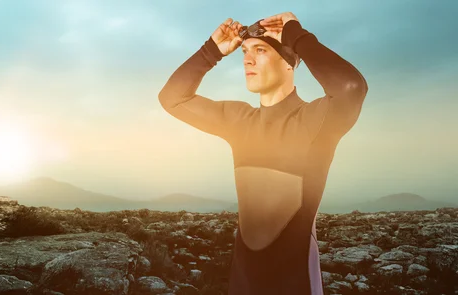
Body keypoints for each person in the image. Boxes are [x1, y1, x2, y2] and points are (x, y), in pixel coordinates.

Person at [157, 11, 368, 294]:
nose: (247, 59)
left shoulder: (316, 120)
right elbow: (171, 98)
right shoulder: (239, 120)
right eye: (245, 51)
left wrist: (295, 34)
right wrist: (211, 51)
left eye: (260, 50)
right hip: (242, 284)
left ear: (290, 63)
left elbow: (351, 87)